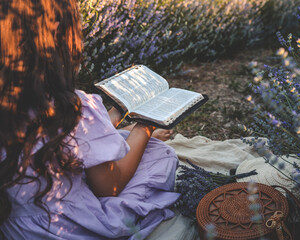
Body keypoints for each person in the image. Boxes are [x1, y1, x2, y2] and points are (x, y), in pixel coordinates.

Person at [0, 0, 179, 239]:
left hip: (17, 227)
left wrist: (111, 117)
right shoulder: (74, 107)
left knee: (120, 139)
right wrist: (145, 127)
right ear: (58, 34)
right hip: (67, 227)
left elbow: (64, 137)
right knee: (161, 156)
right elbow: (109, 187)